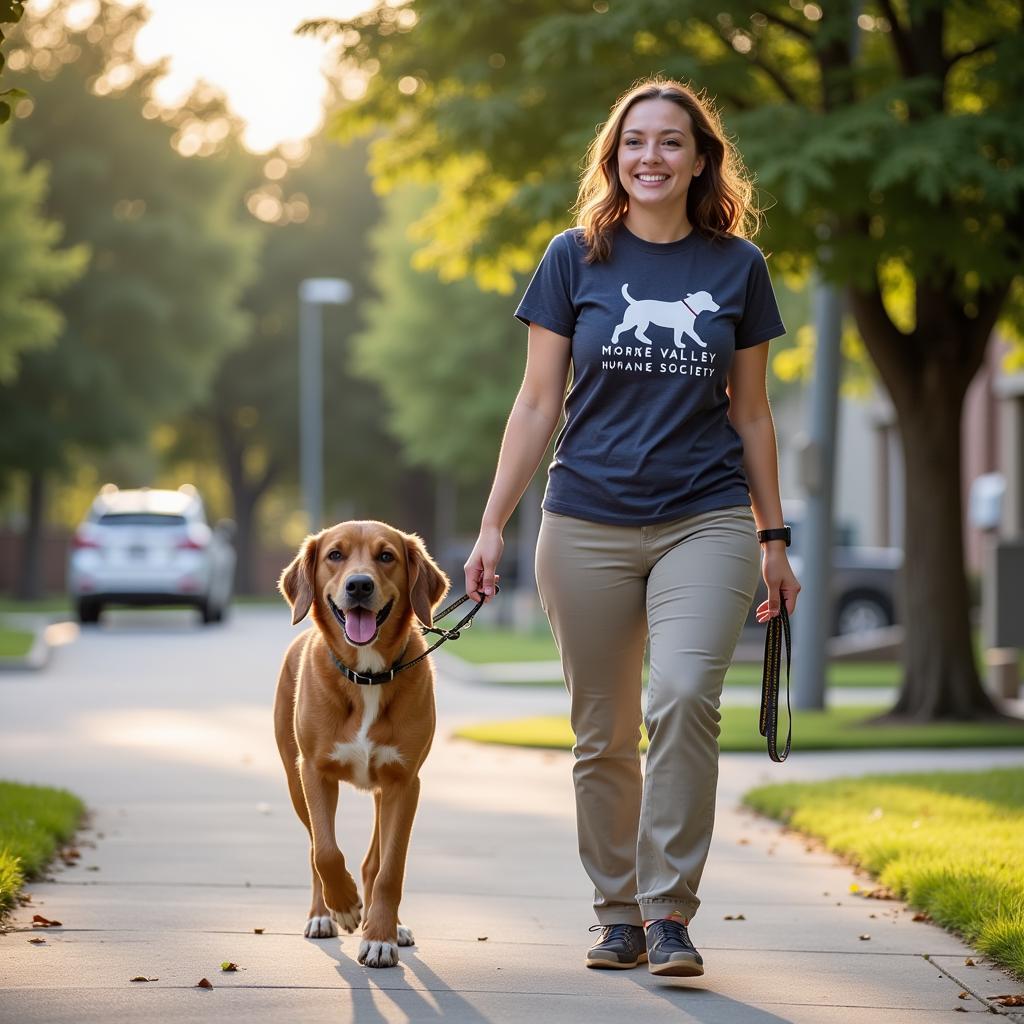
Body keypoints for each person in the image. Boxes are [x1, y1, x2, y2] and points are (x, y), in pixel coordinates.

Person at [463, 78, 800, 978]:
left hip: (709, 515)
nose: (650, 157)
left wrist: (775, 539)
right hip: (585, 520)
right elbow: (537, 402)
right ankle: (615, 911)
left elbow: (754, 415)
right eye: (634, 142)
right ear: (613, 157)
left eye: (671, 142)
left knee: (684, 696)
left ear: (700, 159)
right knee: (602, 731)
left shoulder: (737, 269)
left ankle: (668, 914)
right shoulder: (574, 258)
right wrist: (494, 523)